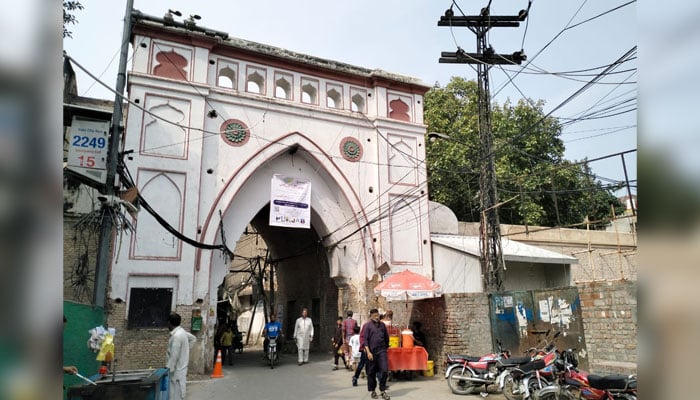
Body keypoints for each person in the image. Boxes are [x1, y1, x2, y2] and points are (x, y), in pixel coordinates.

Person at [166, 312, 196, 400]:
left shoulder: (177, 336)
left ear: (169, 323)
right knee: (180, 394)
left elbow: (174, 357)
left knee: (175, 395)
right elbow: (193, 338)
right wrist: (185, 350)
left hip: (176, 372)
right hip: (181, 370)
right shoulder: (182, 332)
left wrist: (168, 371)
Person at [362, 308, 390, 400]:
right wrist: (368, 352)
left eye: (377, 315)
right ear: (371, 316)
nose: (376, 317)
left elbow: (386, 338)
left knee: (385, 370)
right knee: (371, 373)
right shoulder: (367, 326)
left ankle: (382, 390)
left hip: (382, 351)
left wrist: (386, 349)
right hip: (371, 352)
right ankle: (373, 391)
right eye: (374, 316)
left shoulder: (382, 325)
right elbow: (365, 340)